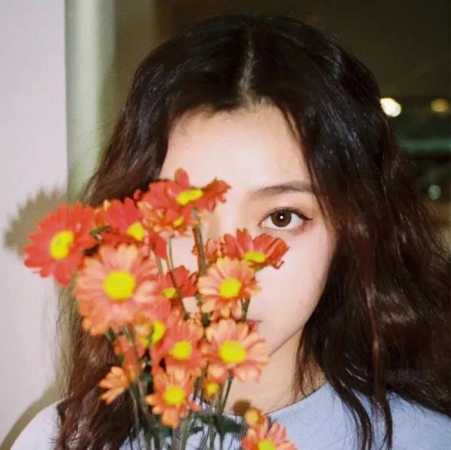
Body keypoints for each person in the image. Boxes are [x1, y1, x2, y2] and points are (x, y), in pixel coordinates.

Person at [12, 12, 451, 450]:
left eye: (282, 218)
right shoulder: (62, 439)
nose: (227, 270)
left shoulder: (426, 440)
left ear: (351, 229)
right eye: (186, 221)